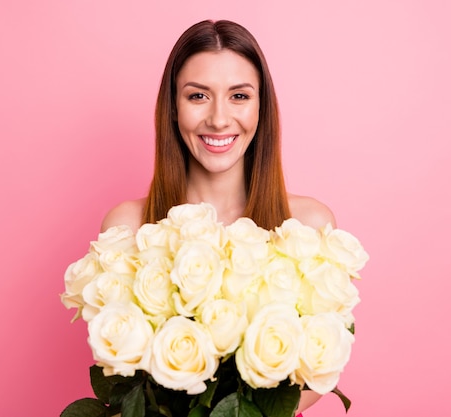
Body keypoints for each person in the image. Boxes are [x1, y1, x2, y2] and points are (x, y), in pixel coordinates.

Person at [101, 19, 335, 415]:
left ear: (262, 107)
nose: (219, 119)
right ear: (173, 108)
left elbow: (321, 368)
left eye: (239, 96)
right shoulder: (127, 229)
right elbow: (118, 375)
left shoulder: (308, 226)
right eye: (198, 97)